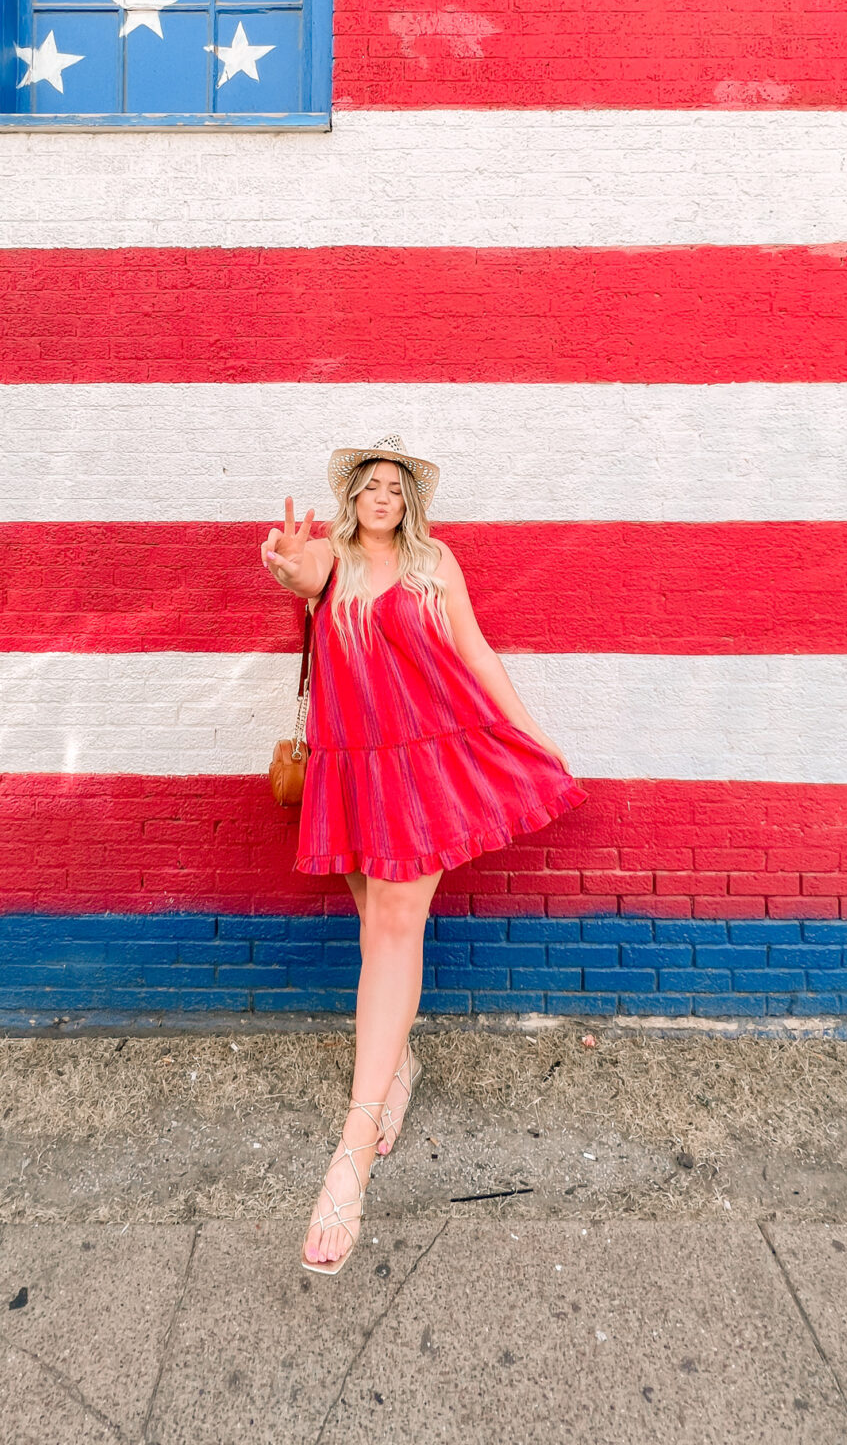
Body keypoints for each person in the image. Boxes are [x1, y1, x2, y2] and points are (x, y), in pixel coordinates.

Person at [261, 434, 585, 1275]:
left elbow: (473, 652)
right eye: (368, 486)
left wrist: (523, 731)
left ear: (409, 501)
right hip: (349, 767)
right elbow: (297, 580)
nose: (381, 496)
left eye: (393, 486)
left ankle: (350, 1161)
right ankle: (400, 1058)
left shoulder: (433, 563)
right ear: (350, 499)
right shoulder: (329, 559)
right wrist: (286, 563)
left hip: (425, 763)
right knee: (376, 929)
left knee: (396, 931)